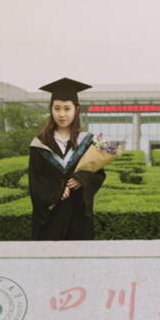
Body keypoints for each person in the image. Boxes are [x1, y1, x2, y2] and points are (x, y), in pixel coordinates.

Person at [29, 77, 106, 240]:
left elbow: (99, 174)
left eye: (67, 108)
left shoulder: (87, 141)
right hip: (50, 218)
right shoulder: (39, 143)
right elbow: (35, 180)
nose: (61, 114)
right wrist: (56, 189)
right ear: (51, 109)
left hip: (79, 217)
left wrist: (82, 178)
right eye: (57, 108)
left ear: (76, 110)